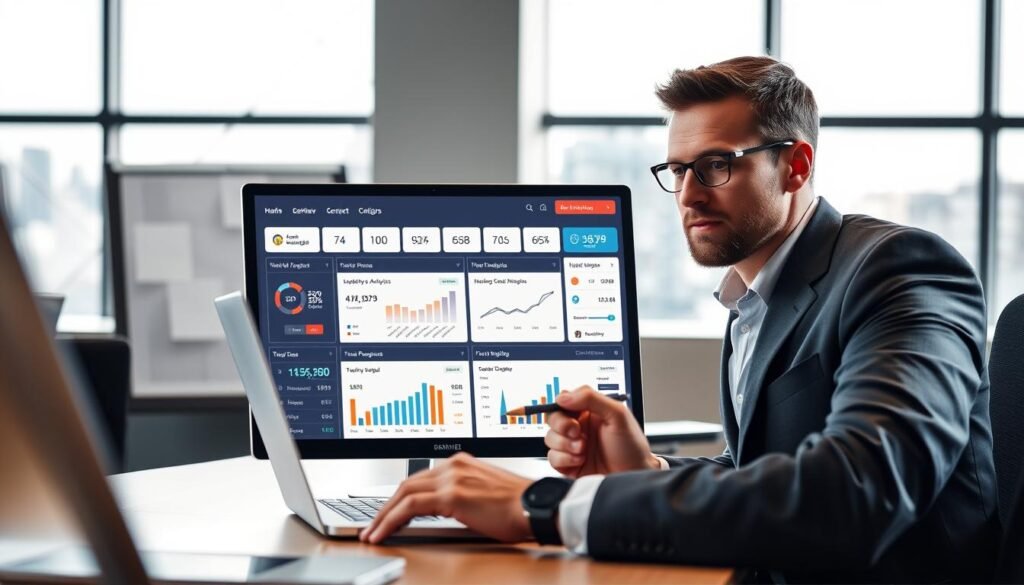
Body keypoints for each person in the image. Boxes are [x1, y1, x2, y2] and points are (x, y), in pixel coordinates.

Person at [359, 56, 1000, 583]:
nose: (689, 194)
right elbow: (766, 468)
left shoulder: (900, 270)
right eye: (677, 169)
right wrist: (648, 473)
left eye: (717, 165)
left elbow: (856, 489)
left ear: (797, 165)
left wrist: (545, 505)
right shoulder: (754, 296)